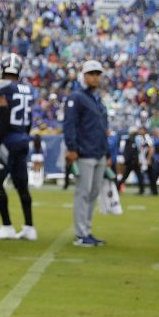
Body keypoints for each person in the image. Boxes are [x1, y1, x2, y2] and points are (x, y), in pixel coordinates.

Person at [0, 53, 38, 241]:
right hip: (23, 139)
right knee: (22, 185)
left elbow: (4, 119)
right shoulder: (28, 89)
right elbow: (30, 119)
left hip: (9, 141)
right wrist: (25, 135)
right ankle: (29, 226)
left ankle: (7, 225)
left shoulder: (2, 87)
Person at [64, 59, 110, 247]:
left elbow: (103, 127)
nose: (95, 78)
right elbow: (69, 124)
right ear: (84, 76)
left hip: (98, 152)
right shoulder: (76, 97)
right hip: (84, 152)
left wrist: (106, 153)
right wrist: (72, 148)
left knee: (93, 193)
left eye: (97, 74)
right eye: (91, 74)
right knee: (83, 193)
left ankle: (87, 230)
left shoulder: (97, 99)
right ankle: (81, 234)